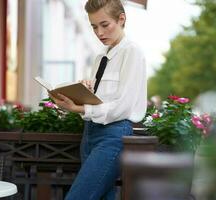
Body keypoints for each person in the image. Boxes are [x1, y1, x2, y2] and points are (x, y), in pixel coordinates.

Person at [49, 0, 147, 199]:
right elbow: (102, 100)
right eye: (94, 26)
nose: (99, 33)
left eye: (105, 25)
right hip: (90, 134)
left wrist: (79, 109)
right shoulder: (101, 55)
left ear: (121, 19)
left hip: (114, 135)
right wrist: (85, 91)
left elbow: (123, 106)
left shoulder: (132, 52)